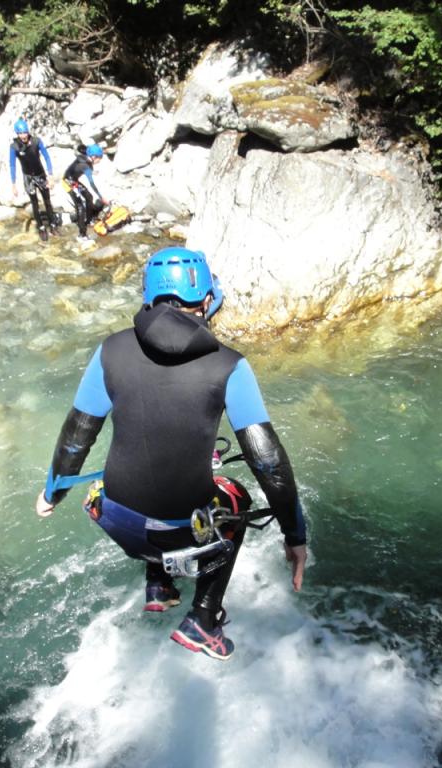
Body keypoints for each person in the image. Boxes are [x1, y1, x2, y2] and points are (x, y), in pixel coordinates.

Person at [35, 247, 308, 661]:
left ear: (149, 295)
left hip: (114, 519)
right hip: (179, 530)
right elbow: (268, 463)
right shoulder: (229, 366)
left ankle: (159, 585)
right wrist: (295, 536)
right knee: (236, 500)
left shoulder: (109, 350)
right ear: (207, 299)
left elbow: (77, 436)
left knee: (150, 477)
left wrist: (52, 492)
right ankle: (204, 620)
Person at [9, 118, 57, 242]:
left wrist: (50, 175)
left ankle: (52, 225)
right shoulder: (14, 147)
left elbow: (46, 157)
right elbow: (12, 165)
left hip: (40, 175)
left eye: (24, 133)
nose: (23, 136)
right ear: (17, 134)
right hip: (28, 178)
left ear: (28, 132)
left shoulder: (36, 141)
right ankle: (41, 227)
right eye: (20, 133)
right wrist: (13, 184)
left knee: (47, 200)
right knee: (34, 203)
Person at [63, 144, 107, 243]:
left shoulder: (87, 156)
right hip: (68, 182)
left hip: (74, 180)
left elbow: (81, 148)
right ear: (94, 157)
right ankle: (82, 235)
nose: (100, 161)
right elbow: (92, 184)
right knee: (80, 207)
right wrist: (101, 197)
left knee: (89, 197)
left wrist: (90, 172)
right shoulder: (85, 165)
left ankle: (89, 220)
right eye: (99, 159)